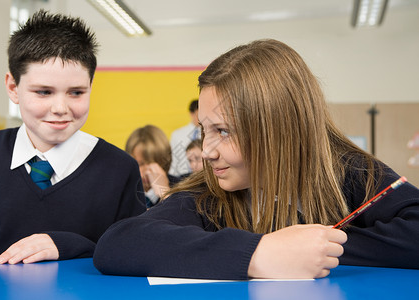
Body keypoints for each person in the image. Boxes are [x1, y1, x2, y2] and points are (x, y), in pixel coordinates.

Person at [93, 39, 419, 280]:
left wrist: (319, 249)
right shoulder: (209, 193)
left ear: (280, 129)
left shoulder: (352, 171)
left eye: (223, 130)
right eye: (204, 130)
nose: (207, 151)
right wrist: (259, 252)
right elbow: (118, 243)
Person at [0, 10, 146, 265]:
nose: (61, 108)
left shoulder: (120, 169)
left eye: (76, 92)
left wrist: (71, 246)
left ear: (91, 87)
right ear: (12, 87)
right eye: (43, 92)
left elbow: (134, 252)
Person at [125, 125, 180, 208]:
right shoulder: (122, 191)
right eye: (140, 164)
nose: (147, 171)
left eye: (153, 163)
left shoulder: (182, 189)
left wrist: (165, 193)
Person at [168, 99, 201, 177]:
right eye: (197, 114)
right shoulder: (177, 134)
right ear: (191, 114)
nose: (200, 118)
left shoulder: (209, 133)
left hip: (202, 176)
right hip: (182, 176)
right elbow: (173, 159)